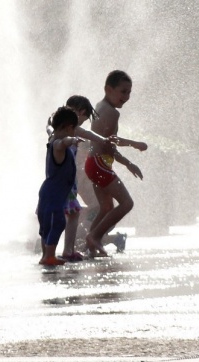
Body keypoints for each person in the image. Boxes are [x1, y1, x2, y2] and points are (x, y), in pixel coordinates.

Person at [46, 96, 118, 262]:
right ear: (80, 112)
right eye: (84, 118)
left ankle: (52, 248)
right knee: (72, 214)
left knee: (67, 213)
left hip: (58, 180)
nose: (81, 124)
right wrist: (103, 140)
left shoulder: (55, 130)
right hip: (66, 181)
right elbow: (87, 133)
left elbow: (50, 129)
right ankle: (67, 249)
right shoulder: (71, 131)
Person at [84, 70, 148, 256]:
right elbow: (109, 143)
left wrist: (127, 161)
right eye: (122, 91)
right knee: (127, 203)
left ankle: (89, 246)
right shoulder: (111, 113)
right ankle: (94, 237)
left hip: (92, 163)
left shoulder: (100, 107)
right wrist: (133, 150)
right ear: (108, 89)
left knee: (106, 208)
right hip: (100, 163)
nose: (126, 97)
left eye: (129, 92)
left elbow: (106, 141)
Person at [37, 107, 84, 265]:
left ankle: (45, 256)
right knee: (57, 222)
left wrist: (49, 125)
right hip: (54, 193)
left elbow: (50, 129)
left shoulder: (52, 136)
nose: (74, 133)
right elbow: (63, 143)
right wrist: (72, 141)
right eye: (73, 129)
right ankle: (49, 255)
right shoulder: (58, 143)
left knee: (48, 225)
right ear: (69, 127)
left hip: (50, 192)